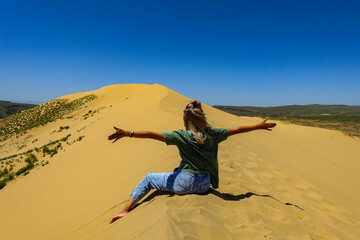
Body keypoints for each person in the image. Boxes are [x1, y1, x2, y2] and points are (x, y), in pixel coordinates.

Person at [108, 99, 276, 223]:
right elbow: (236, 130)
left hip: (184, 184)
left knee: (150, 178)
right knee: (177, 169)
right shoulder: (213, 133)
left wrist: (127, 133)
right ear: (202, 117)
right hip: (204, 184)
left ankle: (124, 210)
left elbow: (152, 134)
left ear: (186, 119)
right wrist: (257, 126)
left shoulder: (181, 136)